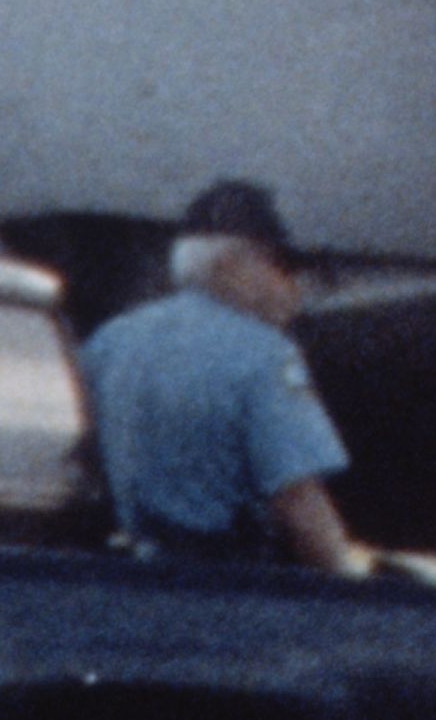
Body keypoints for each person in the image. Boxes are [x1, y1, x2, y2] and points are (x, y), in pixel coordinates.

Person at [80, 176, 363, 571]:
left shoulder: (109, 341)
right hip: (227, 585)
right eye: (284, 266)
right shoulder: (264, 355)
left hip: (130, 579)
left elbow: (87, 458)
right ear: (232, 266)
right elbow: (299, 504)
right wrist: (349, 585)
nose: (296, 288)